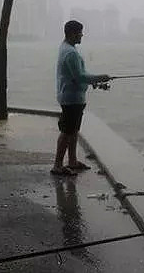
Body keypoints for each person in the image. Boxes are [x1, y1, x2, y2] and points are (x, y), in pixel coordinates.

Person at [52, 20, 110, 176]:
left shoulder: (65, 48)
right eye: (80, 32)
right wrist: (100, 77)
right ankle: (57, 165)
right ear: (72, 33)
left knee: (73, 130)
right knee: (67, 131)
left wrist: (95, 82)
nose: (82, 35)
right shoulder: (70, 53)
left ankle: (72, 161)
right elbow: (79, 76)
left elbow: (76, 77)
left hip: (72, 96)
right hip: (71, 99)